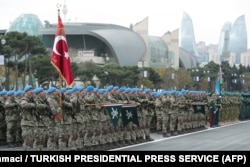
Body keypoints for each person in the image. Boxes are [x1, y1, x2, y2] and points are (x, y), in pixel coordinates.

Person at [20, 85, 36, 150]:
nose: (32, 91)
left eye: (32, 90)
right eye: (30, 90)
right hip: (26, 123)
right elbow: (24, 105)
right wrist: (33, 105)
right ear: (26, 92)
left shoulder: (31, 99)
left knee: (30, 140)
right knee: (27, 141)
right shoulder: (24, 98)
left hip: (31, 122)